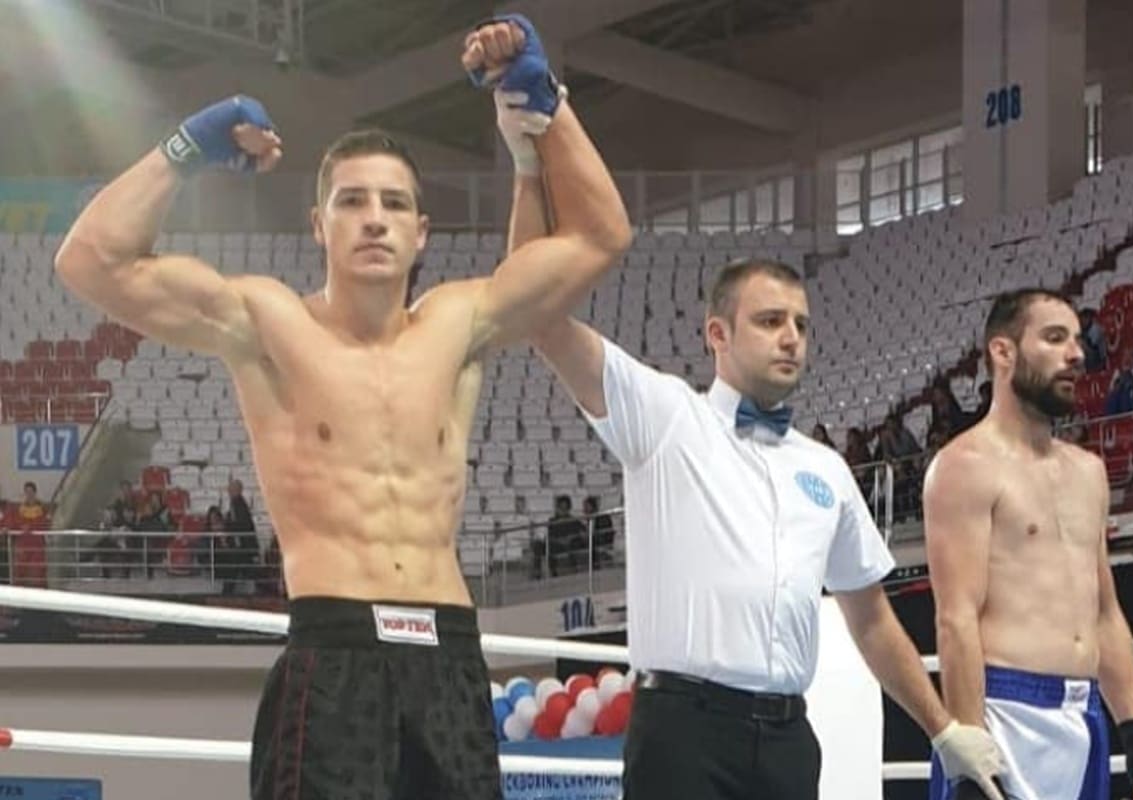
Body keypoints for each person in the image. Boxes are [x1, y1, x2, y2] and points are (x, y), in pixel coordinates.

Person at [54, 14, 630, 800]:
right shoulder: (266, 322)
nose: (374, 218)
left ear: (421, 232)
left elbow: (602, 235)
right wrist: (188, 146)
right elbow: (90, 260)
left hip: (449, 652)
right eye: (352, 201)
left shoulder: (460, 325)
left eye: (394, 203)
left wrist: (547, 107)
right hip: (334, 651)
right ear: (318, 226)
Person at [497, 136, 1004, 795]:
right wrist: (528, 166)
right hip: (682, 734)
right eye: (769, 321)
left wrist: (942, 729)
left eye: (801, 324)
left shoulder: (827, 468)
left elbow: (873, 619)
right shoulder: (666, 416)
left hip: (789, 739)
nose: (791, 337)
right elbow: (536, 314)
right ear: (718, 334)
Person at [924, 288, 1133, 800]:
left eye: (1076, 340)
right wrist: (970, 753)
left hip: (1085, 714)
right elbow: (956, 617)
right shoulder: (963, 467)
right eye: (1055, 338)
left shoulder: (1089, 471)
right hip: (1004, 712)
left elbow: (1105, 612)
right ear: (1003, 352)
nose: (1076, 354)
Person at [582, 494, 615, 569]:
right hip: (592, 547)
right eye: (584, 507)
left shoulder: (603, 518)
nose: (584, 510)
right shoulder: (588, 521)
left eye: (587, 506)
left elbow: (606, 534)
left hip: (601, 546)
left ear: (593, 506)